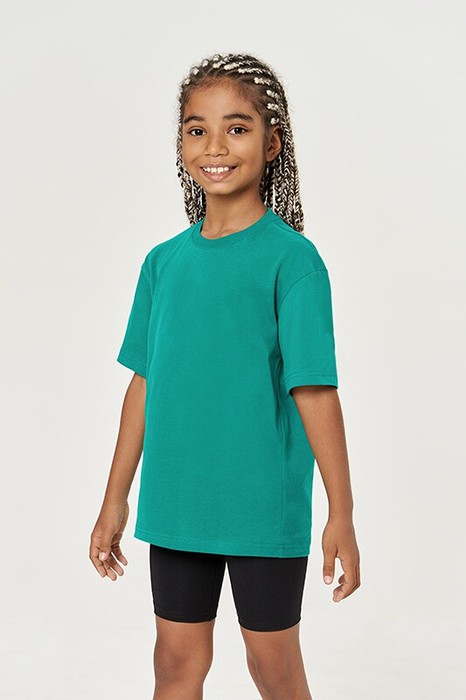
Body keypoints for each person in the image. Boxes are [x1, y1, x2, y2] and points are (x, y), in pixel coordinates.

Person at [90, 51, 360, 700]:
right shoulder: (162, 264)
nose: (214, 145)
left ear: (273, 144)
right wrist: (114, 498)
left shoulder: (293, 261)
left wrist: (341, 511)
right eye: (196, 128)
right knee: (175, 664)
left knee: (273, 666)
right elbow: (144, 385)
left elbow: (314, 389)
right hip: (177, 502)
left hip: (262, 505)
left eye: (237, 128)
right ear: (181, 142)